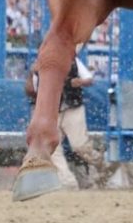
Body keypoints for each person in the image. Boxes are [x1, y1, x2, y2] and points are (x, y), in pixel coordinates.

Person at [26, 56, 112, 190]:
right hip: (51, 110)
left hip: (72, 108)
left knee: (80, 146)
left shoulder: (72, 60)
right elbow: (31, 91)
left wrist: (79, 82)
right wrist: (33, 72)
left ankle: (101, 164)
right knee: (52, 149)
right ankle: (68, 182)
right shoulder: (39, 65)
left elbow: (89, 79)